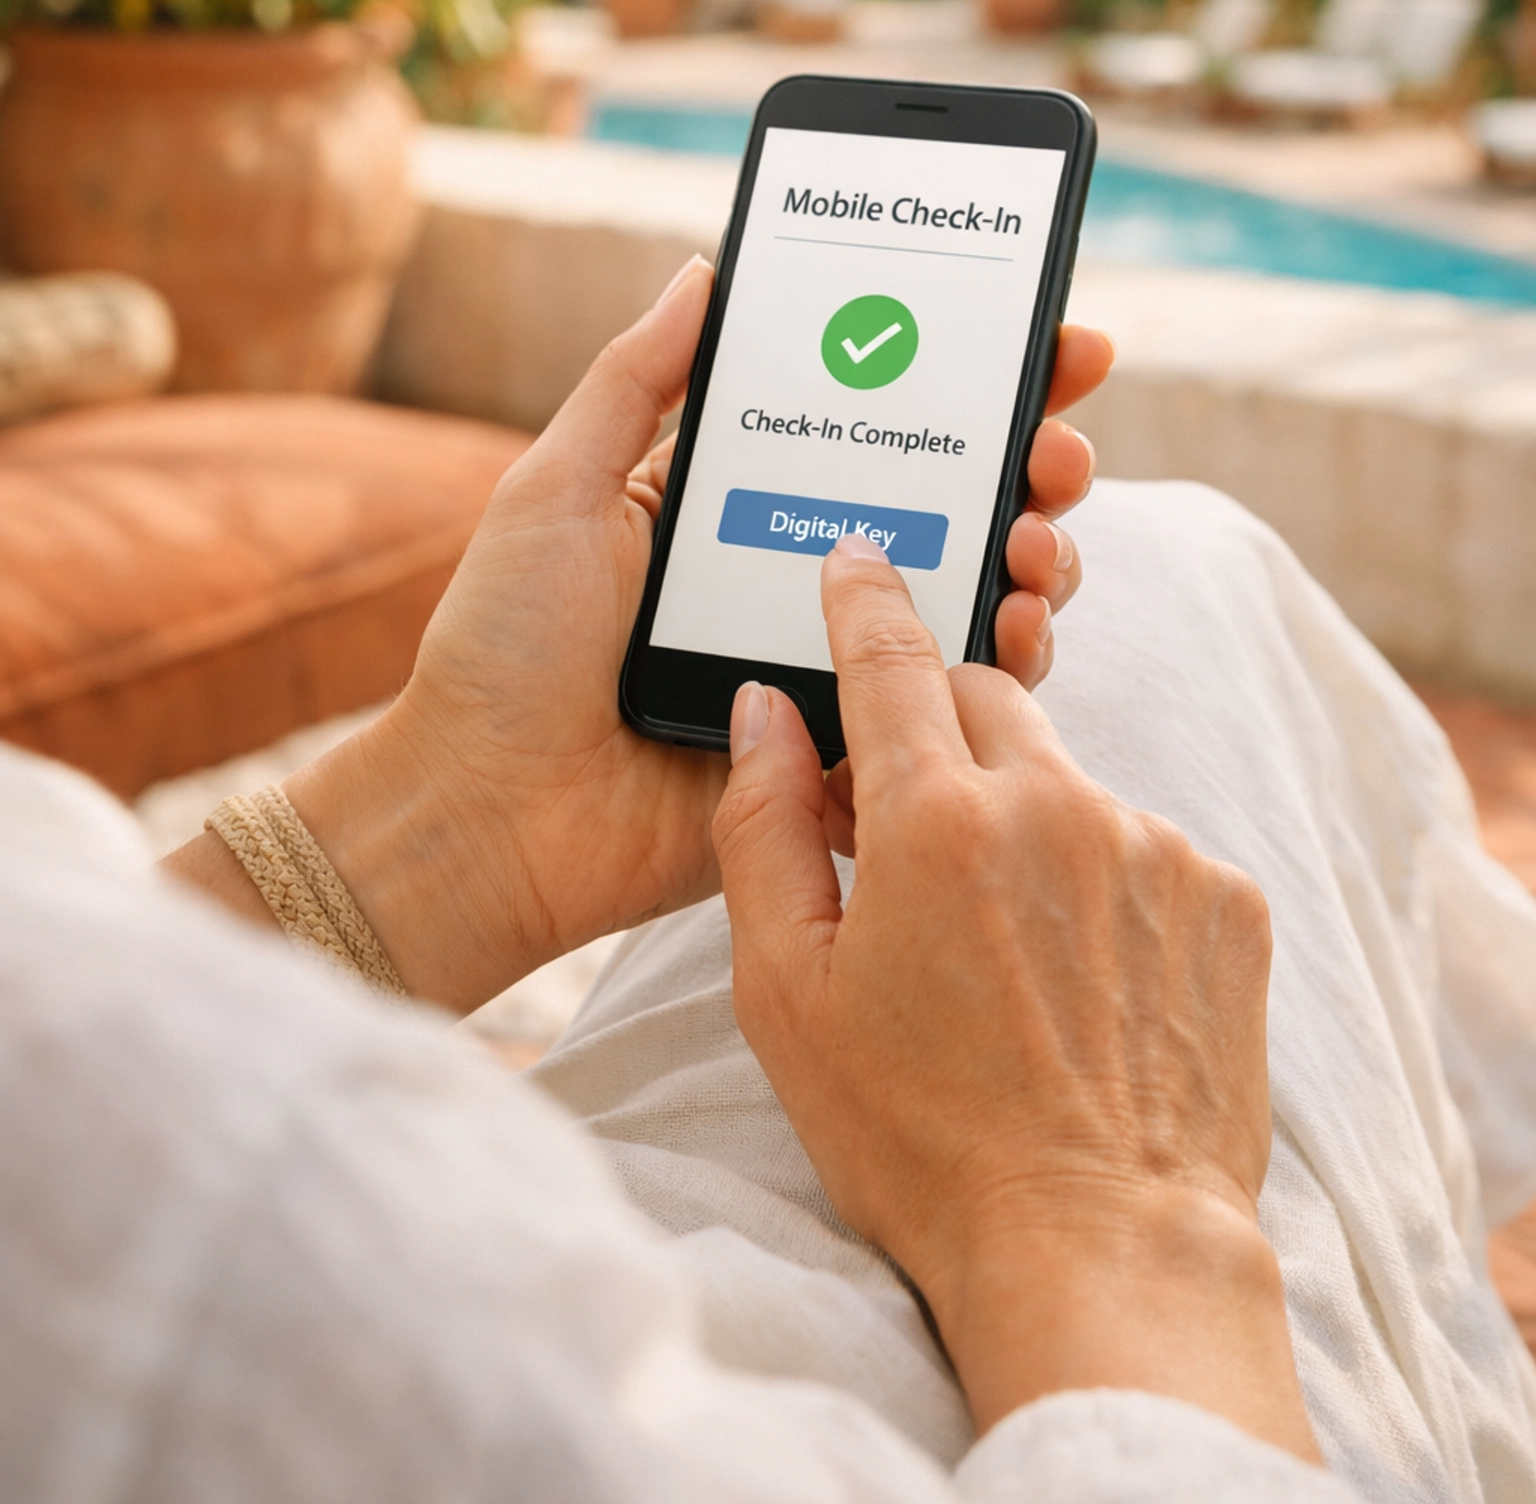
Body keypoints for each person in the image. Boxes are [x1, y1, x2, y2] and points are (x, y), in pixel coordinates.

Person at [4, 257, 1535, 1502]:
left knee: (1128, 586)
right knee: (1156, 597)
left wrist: (454, 819)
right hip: (1079, 1370)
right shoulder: (233, 1238)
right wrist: (1121, 1204)